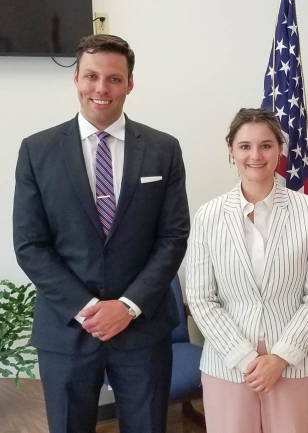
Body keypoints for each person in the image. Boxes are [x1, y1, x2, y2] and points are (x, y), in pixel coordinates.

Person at [13, 34, 190, 433]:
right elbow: (30, 244)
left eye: (113, 78)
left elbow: (173, 237)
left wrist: (127, 305)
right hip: (68, 329)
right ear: (75, 78)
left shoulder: (164, 149)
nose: (101, 88)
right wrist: (88, 308)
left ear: (130, 83)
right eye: (91, 76)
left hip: (142, 330)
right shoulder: (36, 151)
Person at [186, 108, 308, 433]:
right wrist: (245, 358)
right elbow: (200, 298)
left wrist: (281, 357)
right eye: (245, 146)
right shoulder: (208, 216)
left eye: (266, 145)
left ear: (280, 149)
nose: (255, 155)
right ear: (231, 150)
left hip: (297, 362)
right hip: (228, 363)